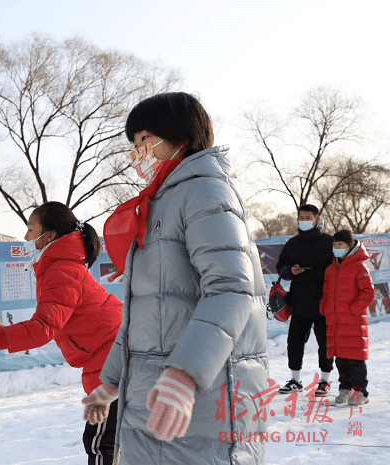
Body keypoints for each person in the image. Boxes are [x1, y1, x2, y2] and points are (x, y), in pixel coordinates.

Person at [86, 92, 268, 464]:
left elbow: (232, 288)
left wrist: (184, 374)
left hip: (200, 399)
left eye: (144, 140)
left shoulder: (204, 191)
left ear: (178, 138)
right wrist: (111, 381)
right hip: (152, 397)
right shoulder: (159, 203)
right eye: (134, 144)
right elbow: (144, 311)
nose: (137, 154)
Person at [0, 201, 123, 465]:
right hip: (113, 357)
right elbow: (50, 321)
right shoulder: (59, 266)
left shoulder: (61, 270)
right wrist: (5, 331)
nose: (26, 236)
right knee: (118, 442)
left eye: (30, 228)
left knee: (102, 443)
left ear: (49, 236)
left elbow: (43, 329)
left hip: (114, 361)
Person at [275, 204, 334, 396]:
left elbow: (339, 268)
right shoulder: (292, 244)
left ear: (317, 219)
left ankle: (324, 381)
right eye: (301, 217)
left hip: (323, 302)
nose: (304, 220)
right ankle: (295, 380)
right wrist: (290, 271)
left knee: (325, 342)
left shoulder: (329, 242)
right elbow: (280, 268)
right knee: (295, 341)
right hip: (299, 300)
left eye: (308, 217)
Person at [320, 230, 374, 405]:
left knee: (355, 359)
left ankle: (361, 391)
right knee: (341, 359)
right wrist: (324, 307)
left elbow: (368, 292)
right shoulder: (330, 269)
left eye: (340, 245)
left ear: (350, 246)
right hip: (336, 322)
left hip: (353, 321)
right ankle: (346, 388)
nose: (337, 248)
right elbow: (326, 292)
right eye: (334, 245)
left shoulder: (359, 266)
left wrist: (354, 309)